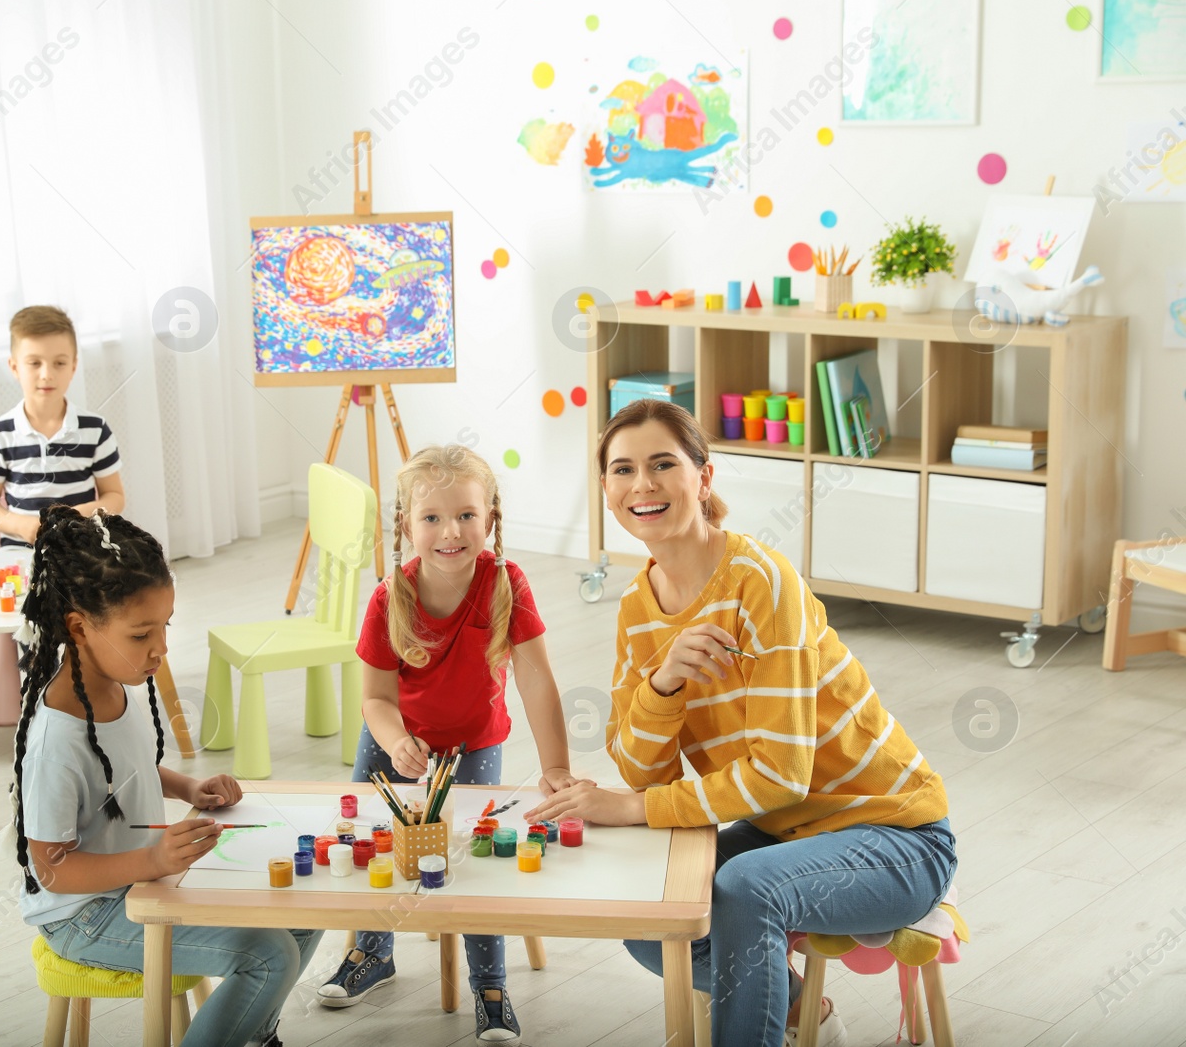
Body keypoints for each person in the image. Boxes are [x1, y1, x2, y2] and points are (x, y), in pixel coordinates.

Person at [528, 399, 956, 1047]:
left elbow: (781, 776)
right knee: (652, 907)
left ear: (703, 476)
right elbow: (642, 765)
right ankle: (789, 1015)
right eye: (622, 469)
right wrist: (664, 681)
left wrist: (635, 808)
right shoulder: (637, 608)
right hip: (790, 835)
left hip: (897, 837)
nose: (641, 484)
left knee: (743, 885)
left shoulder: (761, 582)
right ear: (607, 489)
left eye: (662, 463)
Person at [11, 505, 319, 1047]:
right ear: (79, 627)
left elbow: (127, 771)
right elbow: (52, 869)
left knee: (303, 903)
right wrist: (154, 860)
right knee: (271, 955)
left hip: (141, 882)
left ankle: (247, 1032)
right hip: (82, 916)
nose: (161, 648)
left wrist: (186, 788)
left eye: (165, 626)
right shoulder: (55, 740)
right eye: (141, 634)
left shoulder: (115, 683)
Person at [319, 444, 580, 1044]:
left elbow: (538, 682)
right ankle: (372, 954)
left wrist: (557, 765)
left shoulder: (505, 583)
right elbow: (377, 699)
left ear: (490, 517)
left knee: (468, 859)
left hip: (474, 747)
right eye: (431, 517)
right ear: (406, 525)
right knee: (374, 848)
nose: (450, 532)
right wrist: (396, 740)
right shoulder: (390, 597)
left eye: (465, 514)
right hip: (393, 743)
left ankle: (490, 984)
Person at [0, 304, 125, 549]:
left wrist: (77, 517)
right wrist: (21, 525)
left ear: (73, 367)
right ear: (14, 367)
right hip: (21, 553)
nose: (46, 374)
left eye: (59, 363)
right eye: (34, 363)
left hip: (82, 549)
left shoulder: (95, 430)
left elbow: (114, 496)